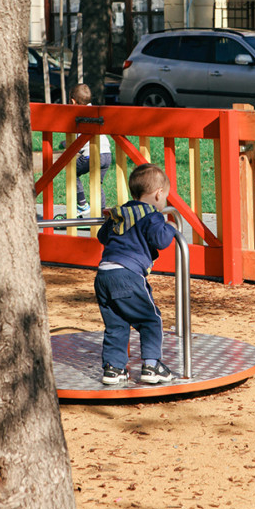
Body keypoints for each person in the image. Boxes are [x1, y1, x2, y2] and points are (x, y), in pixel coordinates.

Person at [94, 163, 177, 385]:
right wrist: (170, 227)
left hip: (104, 274)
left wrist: (110, 219)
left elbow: (103, 237)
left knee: (116, 324)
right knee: (150, 319)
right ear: (159, 194)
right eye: (165, 197)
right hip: (128, 275)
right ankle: (151, 365)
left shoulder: (120, 212)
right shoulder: (152, 216)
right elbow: (160, 240)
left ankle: (113, 369)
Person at [69, 83, 112, 216]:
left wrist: (65, 143)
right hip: (107, 154)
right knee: (96, 183)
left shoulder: (79, 116)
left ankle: (82, 204)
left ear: (73, 101)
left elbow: (78, 142)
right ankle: (100, 213)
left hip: (93, 154)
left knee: (72, 171)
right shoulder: (94, 111)